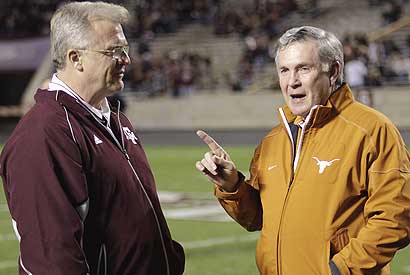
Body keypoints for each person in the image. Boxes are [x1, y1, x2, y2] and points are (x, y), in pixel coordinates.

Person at [196, 26, 410, 275]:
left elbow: (396, 217)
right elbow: (256, 218)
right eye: (284, 71)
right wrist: (232, 185)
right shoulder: (273, 141)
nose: (292, 81)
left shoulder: (373, 131)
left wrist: (339, 271)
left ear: (334, 71)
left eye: (303, 68)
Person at [0, 2, 184, 275]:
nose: (126, 59)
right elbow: (52, 261)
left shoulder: (114, 119)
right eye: (114, 51)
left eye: (125, 49)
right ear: (76, 58)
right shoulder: (43, 135)